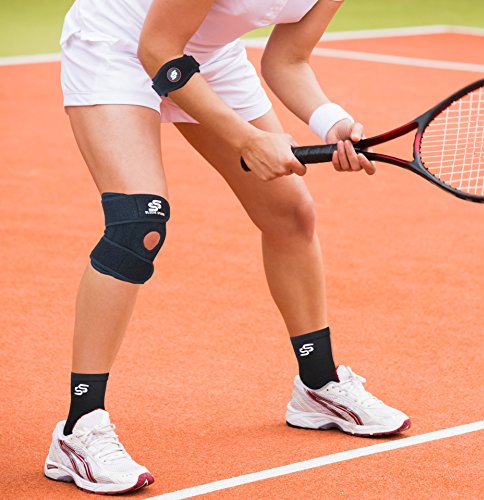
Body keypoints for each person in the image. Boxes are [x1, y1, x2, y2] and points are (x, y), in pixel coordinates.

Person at [44, 0, 411, 494]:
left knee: (289, 213)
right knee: (138, 223)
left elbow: (288, 59)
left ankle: (317, 385)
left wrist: (332, 124)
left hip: (205, 57)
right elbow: (156, 48)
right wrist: (246, 139)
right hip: (120, 44)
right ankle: (78, 428)